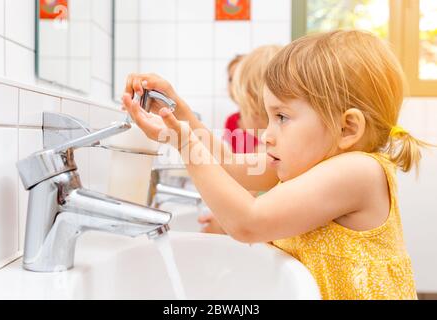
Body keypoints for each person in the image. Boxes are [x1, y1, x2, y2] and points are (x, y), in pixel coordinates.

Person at [122, 30, 434, 299]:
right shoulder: (300, 164)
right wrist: (182, 117)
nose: (267, 135)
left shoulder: (359, 172)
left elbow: (249, 222)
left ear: (347, 129)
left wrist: (186, 144)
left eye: (282, 117)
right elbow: (230, 164)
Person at [201, 45, 282, 234]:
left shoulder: (270, 153)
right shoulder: (272, 149)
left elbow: (234, 169)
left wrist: (219, 222)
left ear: (253, 105)